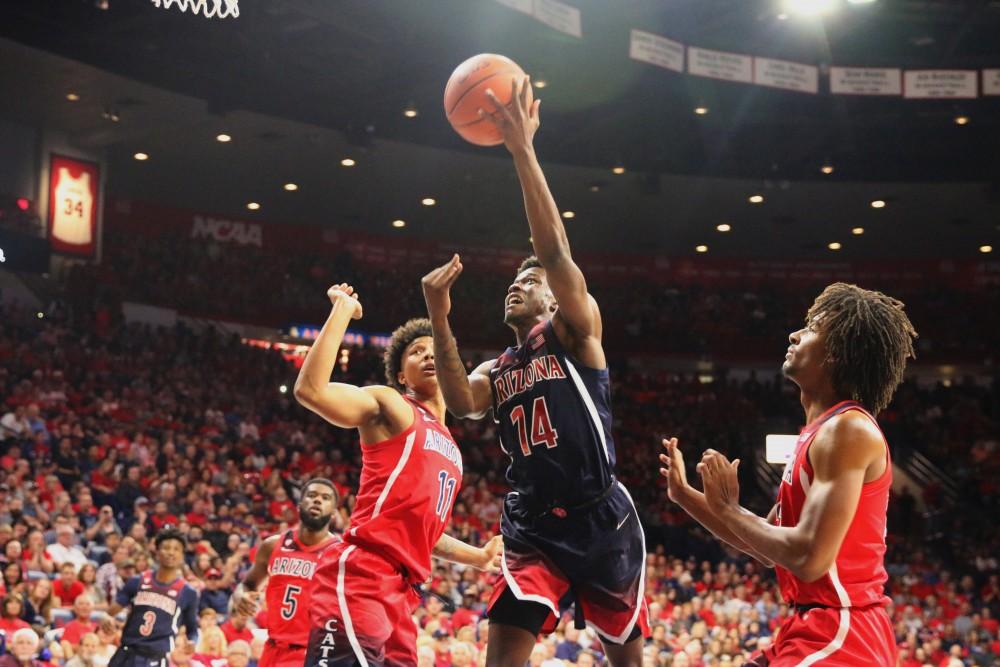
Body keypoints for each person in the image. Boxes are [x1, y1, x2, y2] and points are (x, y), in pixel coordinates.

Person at [422, 76, 647, 666]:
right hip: (531, 524)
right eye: (512, 281)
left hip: (600, 514)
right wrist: (440, 318)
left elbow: (553, 254)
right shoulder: (499, 367)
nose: (517, 285)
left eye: (529, 282)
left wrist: (522, 149)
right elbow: (462, 402)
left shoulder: (574, 332)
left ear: (554, 300)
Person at [659, 282, 918, 666]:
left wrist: (730, 508)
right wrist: (685, 496)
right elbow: (765, 548)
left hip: (844, 635)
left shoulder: (848, 430)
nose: (795, 334)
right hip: (809, 625)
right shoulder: (817, 434)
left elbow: (809, 556)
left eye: (812, 327)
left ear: (837, 354)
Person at [294, 288, 502, 666]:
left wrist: (479, 556)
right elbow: (311, 390)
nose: (426, 355)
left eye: (432, 348)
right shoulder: (393, 405)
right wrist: (342, 310)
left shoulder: (452, 449)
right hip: (363, 574)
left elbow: (423, 531)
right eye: (415, 352)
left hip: (403, 592)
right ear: (401, 376)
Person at [232, 479, 340, 667]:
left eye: (325, 498)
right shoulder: (272, 545)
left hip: (310, 652)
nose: (317, 501)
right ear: (299, 505)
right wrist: (240, 596)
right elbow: (247, 584)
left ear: (333, 513)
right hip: (271, 648)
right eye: (312, 496)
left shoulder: (341, 555)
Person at [107, 527, 200, 667]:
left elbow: (192, 630)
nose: (171, 552)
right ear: (157, 552)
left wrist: (192, 642)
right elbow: (111, 611)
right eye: (166, 548)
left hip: (156, 658)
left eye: (176, 549)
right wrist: (106, 618)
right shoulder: (137, 581)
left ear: (182, 556)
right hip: (126, 653)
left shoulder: (188, 592)